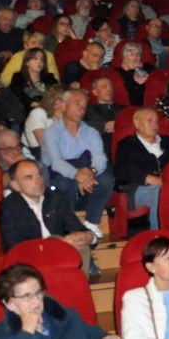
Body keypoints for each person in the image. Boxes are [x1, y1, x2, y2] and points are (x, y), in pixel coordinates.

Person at [42, 89, 115, 259]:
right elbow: (56, 162)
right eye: (77, 103)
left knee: (107, 178)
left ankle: (92, 222)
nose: (82, 108)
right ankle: (69, 223)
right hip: (61, 170)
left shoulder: (90, 131)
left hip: (86, 169)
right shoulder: (52, 132)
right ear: (64, 105)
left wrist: (91, 172)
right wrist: (78, 175)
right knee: (64, 183)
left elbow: (100, 158)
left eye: (84, 105)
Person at [0, 159, 95, 251]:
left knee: (82, 246)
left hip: (61, 254)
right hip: (32, 258)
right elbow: (12, 245)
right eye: (29, 177)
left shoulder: (56, 198)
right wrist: (53, 245)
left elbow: (76, 227)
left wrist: (89, 237)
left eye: (39, 175)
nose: (38, 181)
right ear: (16, 185)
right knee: (56, 239)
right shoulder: (10, 207)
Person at [114, 108, 169, 231]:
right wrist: (149, 179)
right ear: (137, 123)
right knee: (160, 193)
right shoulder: (126, 144)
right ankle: (159, 237)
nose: (154, 124)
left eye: (156, 121)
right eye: (149, 120)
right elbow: (122, 170)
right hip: (136, 189)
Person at [8, 47, 57, 114]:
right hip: (25, 111)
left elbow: (56, 93)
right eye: (35, 59)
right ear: (27, 62)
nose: (39, 62)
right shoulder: (18, 77)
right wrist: (32, 103)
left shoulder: (49, 77)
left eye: (42, 60)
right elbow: (17, 94)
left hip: (47, 111)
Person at [82, 76, 122, 157]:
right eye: (104, 87)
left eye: (111, 87)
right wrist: (103, 126)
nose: (109, 90)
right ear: (95, 92)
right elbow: (78, 124)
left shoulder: (123, 109)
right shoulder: (88, 109)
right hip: (101, 148)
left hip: (123, 146)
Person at [115, 41, 155, 106]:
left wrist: (139, 70)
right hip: (131, 105)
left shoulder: (148, 67)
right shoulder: (118, 73)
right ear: (124, 57)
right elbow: (128, 92)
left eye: (138, 54)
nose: (136, 56)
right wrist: (132, 71)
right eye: (132, 54)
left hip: (150, 102)